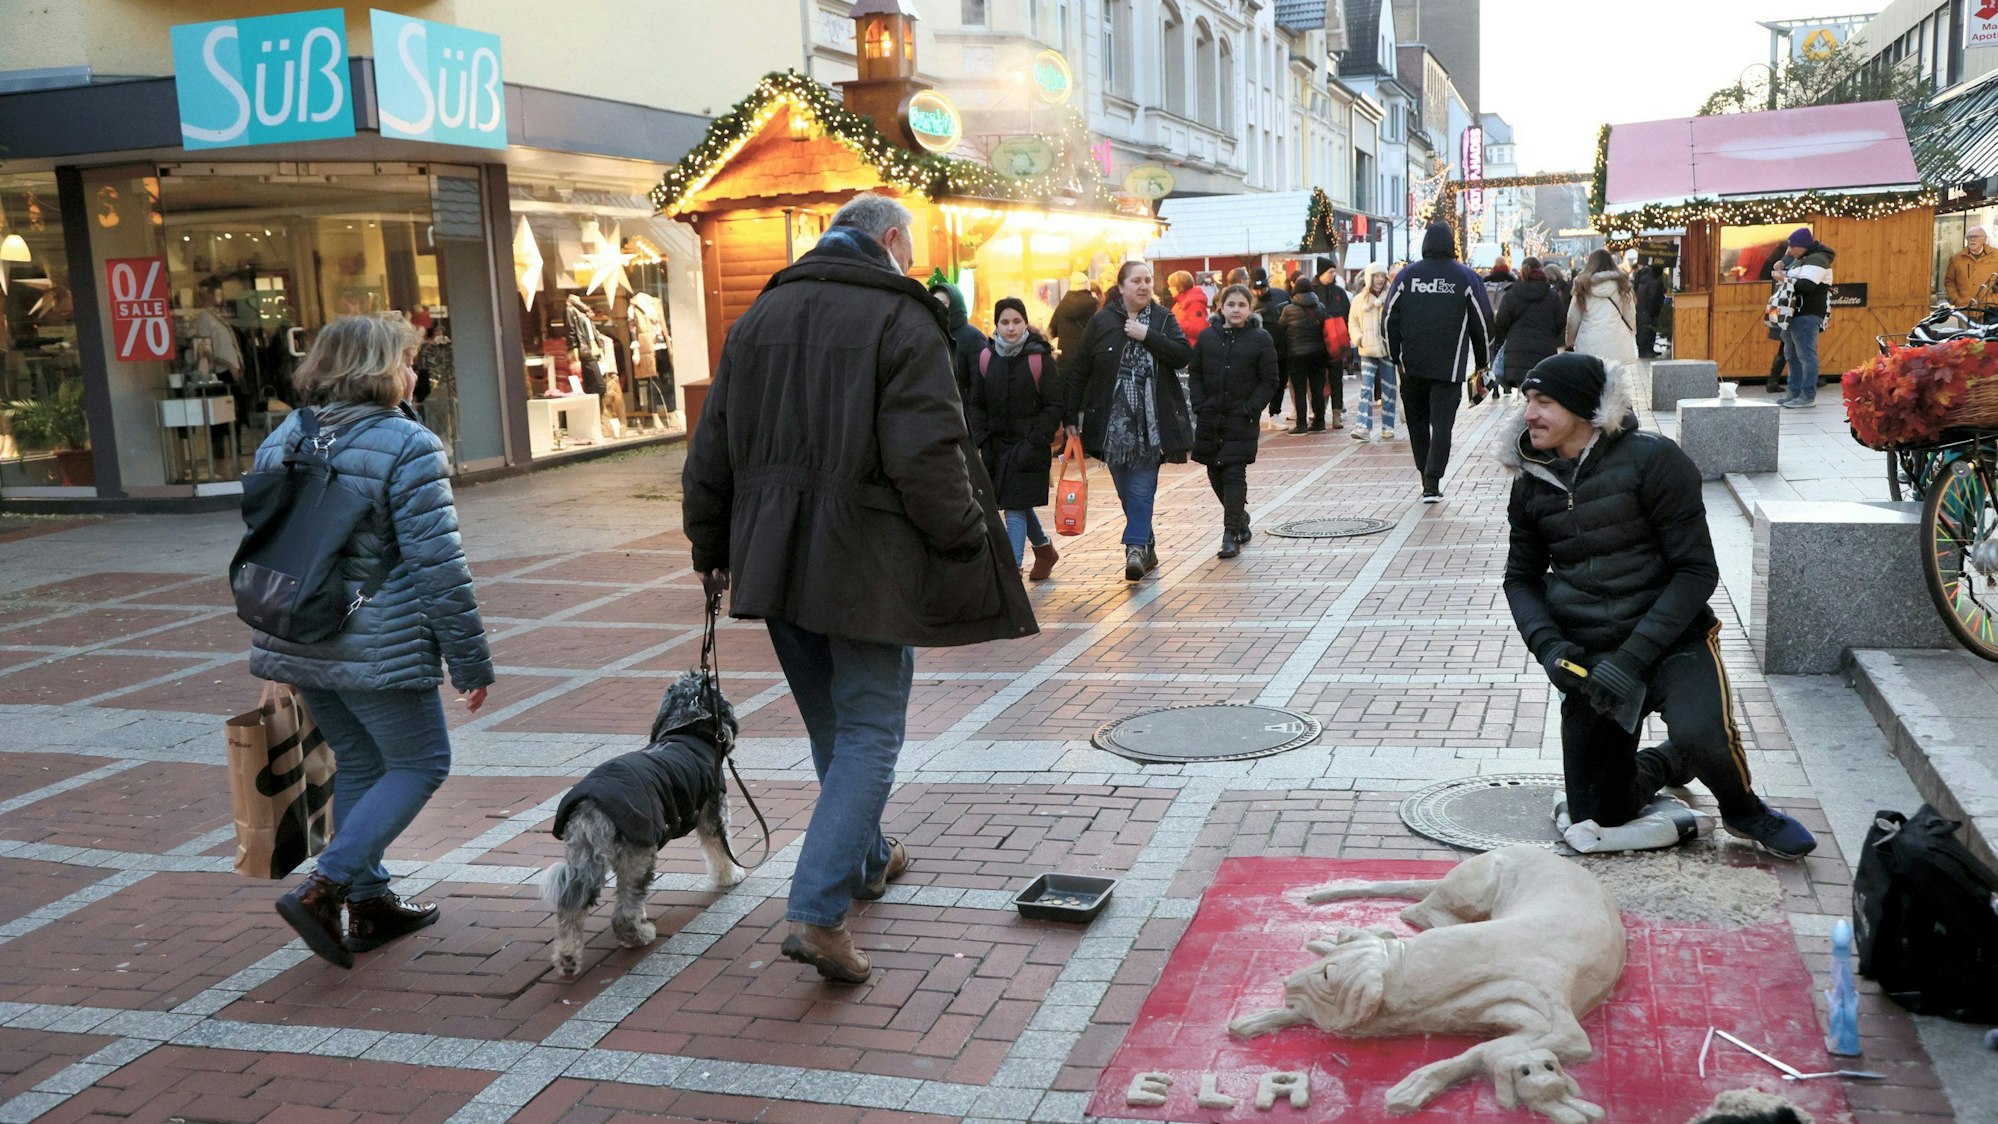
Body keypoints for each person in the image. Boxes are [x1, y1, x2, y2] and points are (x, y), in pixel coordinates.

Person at [684, 192, 1035, 983]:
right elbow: (928, 450)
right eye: (907, 250)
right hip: (865, 562)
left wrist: (710, 544)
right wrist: (963, 536)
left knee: (833, 729)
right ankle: (817, 910)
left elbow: (711, 446)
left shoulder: (758, 317)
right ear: (887, 239)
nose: (910, 264)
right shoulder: (898, 317)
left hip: (773, 557)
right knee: (871, 729)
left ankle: (869, 856)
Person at [1498, 352, 1818, 860]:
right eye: (1528, 401)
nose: (1528, 414)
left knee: (1701, 732)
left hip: (1673, 640)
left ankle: (1744, 809)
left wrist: (1633, 659)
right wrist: (1552, 649)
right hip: (1591, 654)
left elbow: (1697, 572)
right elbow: (1521, 578)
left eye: (1544, 402)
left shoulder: (1654, 460)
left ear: (1585, 409)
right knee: (1598, 815)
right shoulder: (1531, 483)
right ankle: (1667, 763)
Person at [257, 314, 495, 969]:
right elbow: (438, 562)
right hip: (376, 643)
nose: (415, 373)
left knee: (361, 763)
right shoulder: (405, 444)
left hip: (298, 633)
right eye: (408, 361)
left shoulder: (282, 437)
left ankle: (367, 903)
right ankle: (325, 886)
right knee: (421, 764)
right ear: (383, 369)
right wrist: (470, 660)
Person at [1064, 260, 1195, 581]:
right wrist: (1069, 415)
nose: (1144, 286)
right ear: (1121, 287)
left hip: (1152, 427)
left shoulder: (1163, 319)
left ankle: (1134, 549)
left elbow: (1182, 354)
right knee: (1126, 493)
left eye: (1148, 280)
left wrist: (1147, 335)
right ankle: (1146, 545)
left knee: (1140, 490)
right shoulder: (1102, 321)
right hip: (1112, 427)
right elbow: (1079, 369)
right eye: (1136, 280)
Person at [1384, 221, 1493, 502]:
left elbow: (1389, 319)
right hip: (1449, 366)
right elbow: (1482, 323)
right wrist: (1483, 363)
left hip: (1412, 366)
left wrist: (1395, 355)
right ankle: (1433, 481)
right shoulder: (1466, 277)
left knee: (1417, 422)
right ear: (1451, 245)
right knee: (1442, 424)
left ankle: (1424, 475)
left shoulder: (1406, 276)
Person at [967, 297, 1063, 580]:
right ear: (996, 325)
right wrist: (983, 437)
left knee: (1015, 507)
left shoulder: (1038, 357)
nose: (1010, 328)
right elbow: (977, 403)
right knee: (1014, 501)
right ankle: (1044, 550)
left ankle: (1011, 571)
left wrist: (1037, 438)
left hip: (1029, 445)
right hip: (997, 446)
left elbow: (1054, 403)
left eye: (1016, 321)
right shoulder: (987, 357)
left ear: (1025, 323)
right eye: (1005, 322)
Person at [1189, 283, 1281, 558]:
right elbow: (1195, 373)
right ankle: (1240, 517)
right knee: (1214, 472)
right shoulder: (1207, 338)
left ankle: (1231, 534)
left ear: (1249, 308)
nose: (1236, 309)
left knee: (1232, 472)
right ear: (1221, 308)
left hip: (1241, 419)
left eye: (1242, 305)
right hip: (1210, 417)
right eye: (1231, 304)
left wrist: (1251, 407)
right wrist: (1199, 404)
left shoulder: (1260, 338)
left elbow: (1270, 380)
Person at [1775, 228, 1834, 409]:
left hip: (1808, 314)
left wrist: (1783, 278)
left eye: (1793, 247)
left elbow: (1807, 286)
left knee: (1806, 355)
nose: (1790, 251)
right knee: (1791, 355)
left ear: (1802, 246)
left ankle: (1807, 395)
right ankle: (1794, 391)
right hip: (1794, 314)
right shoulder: (1801, 259)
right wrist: (1782, 267)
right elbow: (1795, 276)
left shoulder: (1818, 259)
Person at [1492, 257, 1566, 395]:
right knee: (1542, 390)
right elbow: (1561, 320)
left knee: (1523, 391)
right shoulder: (1551, 295)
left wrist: (1511, 335)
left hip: (1517, 349)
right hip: (1545, 348)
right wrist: (1550, 335)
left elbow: (1501, 320)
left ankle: (1526, 413)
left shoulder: (1511, 294)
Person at [1566, 249, 1637, 375]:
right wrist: (1630, 333)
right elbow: (1630, 314)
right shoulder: (1622, 285)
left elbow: (1573, 318)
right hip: (1616, 338)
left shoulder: (1582, 286)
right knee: (1614, 380)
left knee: (1591, 378)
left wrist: (1569, 340)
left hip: (1588, 339)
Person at [1277, 275, 1332, 433]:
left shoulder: (1288, 309)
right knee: (1317, 389)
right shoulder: (1320, 306)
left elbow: (1281, 328)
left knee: (1300, 389)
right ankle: (1319, 422)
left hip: (1296, 355)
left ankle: (1301, 424)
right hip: (1318, 354)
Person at [1349, 265, 1396, 441]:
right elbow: (1352, 322)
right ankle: (1362, 426)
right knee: (1366, 388)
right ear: (1369, 277)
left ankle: (1388, 426)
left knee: (1389, 388)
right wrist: (1358, 338)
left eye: (1382, 276)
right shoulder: (1359, 300)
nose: (1379, 279)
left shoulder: (1391, 299)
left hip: (1387, 349)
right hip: (1367, 349)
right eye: (1376, 276)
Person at [928, 279, 987, 408]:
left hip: (964, 412)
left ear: (954, 305)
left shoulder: (972, 337)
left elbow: (979, 382)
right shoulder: (929, 334)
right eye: (934, 303)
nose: (938, 307)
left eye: (943, 303)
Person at [1253, 266, 1291, 424]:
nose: (1259, 292)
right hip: (1261, 351)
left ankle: (1274, 413)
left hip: (1282, 347)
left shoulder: (1281, 295)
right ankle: (1255, 412)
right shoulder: (1251, 302)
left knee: (1280, 381)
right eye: (1256, 289)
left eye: (1262, 288)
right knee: (1259, 382)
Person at [1050, 271, 1099, 361]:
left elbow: (1050, 331)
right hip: (1087, 358)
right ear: (1087, 286)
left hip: (1065, 361)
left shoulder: (1062, 306)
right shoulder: (1095, 305)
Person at [1945, 226, 1998, 307]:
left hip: (1990, 308)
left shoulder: (1996, 256)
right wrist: (1956, 299)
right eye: (1970, 237)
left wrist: (1995, 299)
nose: (1972, 239)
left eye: (1976, 236)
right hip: (1964, 308)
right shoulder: (1956, 258)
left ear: (1984, 239)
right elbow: (1949, 281)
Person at [1168, 269, 1210, 345]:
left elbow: (1201, 330)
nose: (1169, 289)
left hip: (1192, 351)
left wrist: (1178, 324)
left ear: (1179, 286)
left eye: (1171, 286)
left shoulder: (1195, 303)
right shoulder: (1179, 303)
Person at [1633, 263, 1665, 359]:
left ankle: (1643, 350)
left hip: (1640, 308)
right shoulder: (1655, 282)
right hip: (1649, 310)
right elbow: (1654, 298)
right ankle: (1647, 351)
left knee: (1642, 329)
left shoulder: (1640, 278)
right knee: (1649, 330)